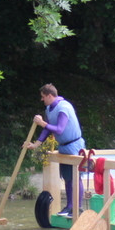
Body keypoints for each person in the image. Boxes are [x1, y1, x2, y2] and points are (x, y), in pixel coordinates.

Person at [25, 83, 85, 217]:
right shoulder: (48, 109)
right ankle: (69, 206)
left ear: (50, 96)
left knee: (76, 177)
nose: (42, 99)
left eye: (43, 97)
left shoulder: (64, 107)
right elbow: (48, 129)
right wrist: (36, 144)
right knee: (67, 177)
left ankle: (78, 208)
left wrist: (42, 123)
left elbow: (59, 129)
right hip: (64, 146)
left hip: (75, 146)